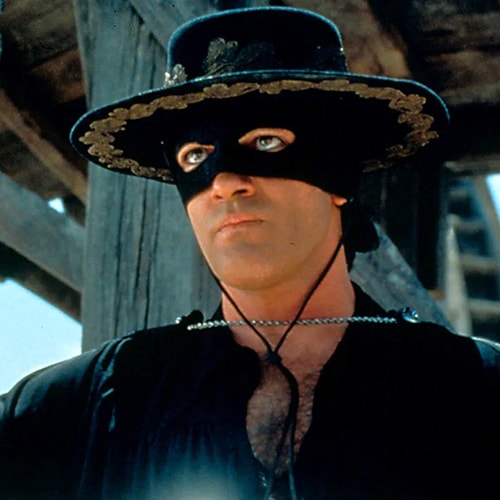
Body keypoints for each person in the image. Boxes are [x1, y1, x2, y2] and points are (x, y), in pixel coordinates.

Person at [1, 7, 499, 499]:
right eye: (195, 156)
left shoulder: (471, 388)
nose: (224, 182)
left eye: (265, 142)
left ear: (339, 174)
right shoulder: (92, 404)